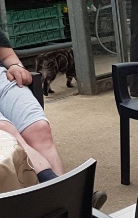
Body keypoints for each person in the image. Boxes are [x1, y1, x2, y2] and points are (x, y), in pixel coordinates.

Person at [0, 34, 106, 207]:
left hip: (2, 79)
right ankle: (67, 200)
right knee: (7, 131)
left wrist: (15, 66)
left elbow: (6, 55)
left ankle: (61, 202)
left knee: (39, 129)